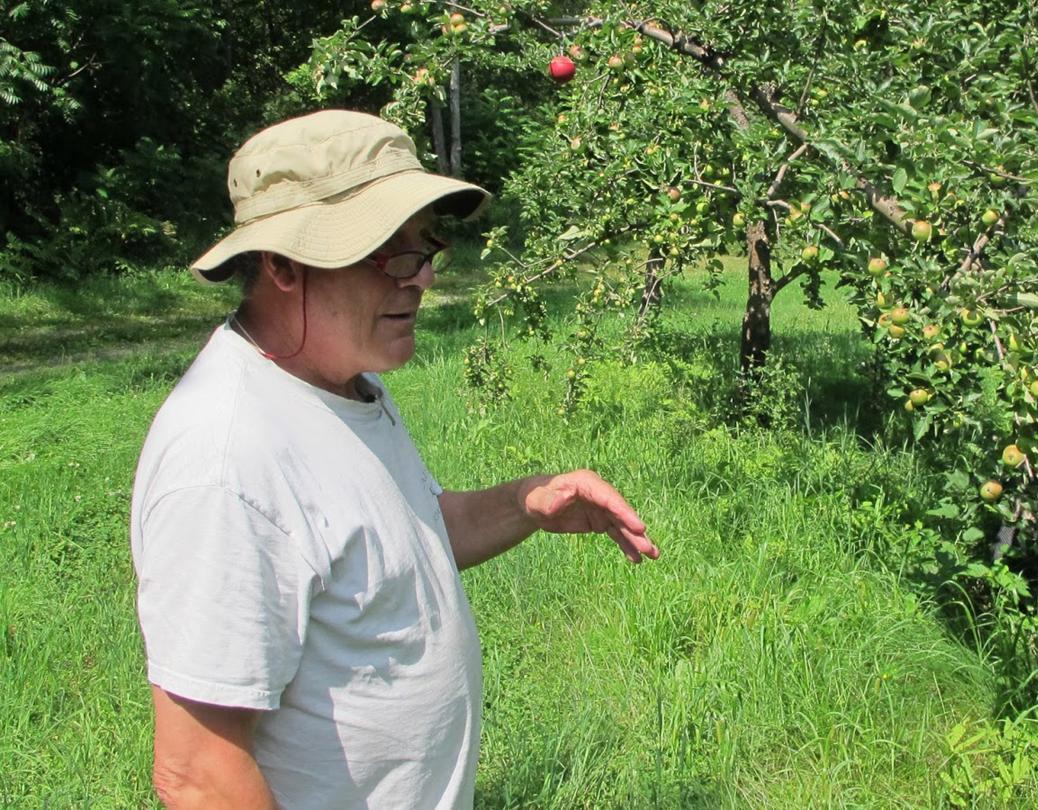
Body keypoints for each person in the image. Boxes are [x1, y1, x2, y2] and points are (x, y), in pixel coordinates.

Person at [128, 109, 659, 809]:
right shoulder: (228, 462)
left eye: (424, 247)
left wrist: (526, 503)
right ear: (283, 263)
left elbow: (397, 542)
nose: (422, 279)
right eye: (389, 252)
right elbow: (197, 772)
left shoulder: (338, 384)